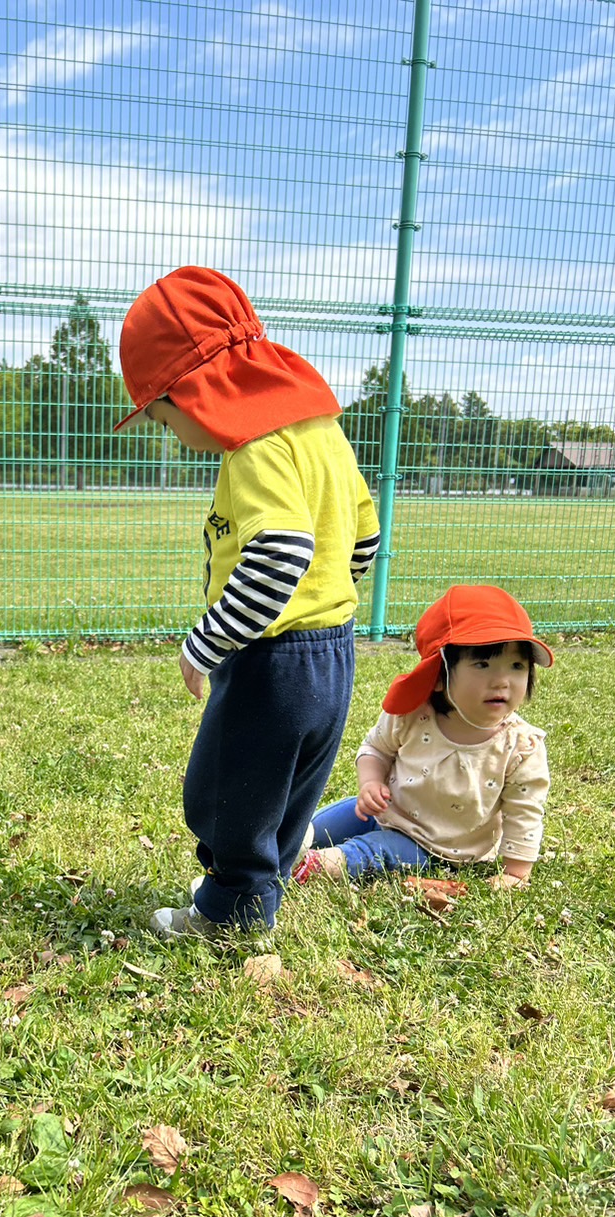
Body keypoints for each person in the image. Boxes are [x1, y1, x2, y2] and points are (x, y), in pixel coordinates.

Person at [114, 265, 380, 939]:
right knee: (284, 788)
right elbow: (365, 533)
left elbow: (279, 551)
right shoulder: (319, 429)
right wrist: (333, 600)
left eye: (161, 414)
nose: (168, 431)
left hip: (274, 659)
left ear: (194, 393)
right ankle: (257, 883)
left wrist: (205, 642)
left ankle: (231, 914)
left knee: (224, 792)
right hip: (333, 650)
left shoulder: (254, 448)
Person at [293, 585, 552, 888]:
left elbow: (525, 813)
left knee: (375, 850)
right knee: (308, 827)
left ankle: (314, 867)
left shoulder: (520, 747)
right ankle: (276, 845)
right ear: (439, 675)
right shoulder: (412, 714)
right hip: (385, 812)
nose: (502, 680)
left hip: (436, 849)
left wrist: (516, 872)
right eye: (482, 664)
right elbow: (375, 749)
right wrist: (371, 783)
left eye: (517, 666)